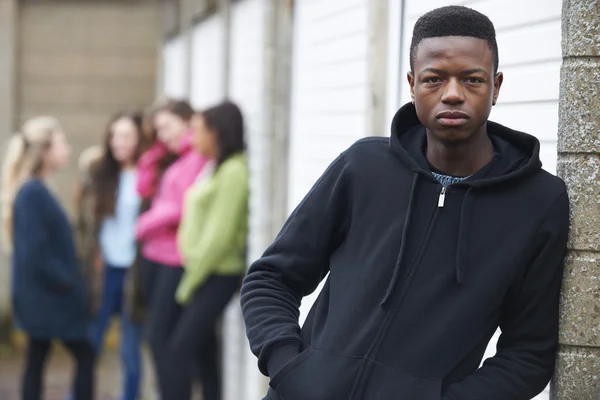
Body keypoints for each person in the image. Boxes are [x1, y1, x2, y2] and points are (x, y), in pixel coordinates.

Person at [240, 6, 570, 400]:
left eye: (472, 79)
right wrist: (289, 368)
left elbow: (528, 353)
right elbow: (271, 279)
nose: (452, 93)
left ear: (496, 87)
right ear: (412, 84)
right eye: (434, 79)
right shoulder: (363, 168)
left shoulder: (538, 203)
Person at [1, 116, 95, 400]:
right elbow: (33, 250)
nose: (67, 148)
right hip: (49, 297)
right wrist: (66, 281)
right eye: (61, 143)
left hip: (45, 296)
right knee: (85, 354)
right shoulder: (32, 192)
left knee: (36, 359)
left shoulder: (38, 189)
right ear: (44, 152)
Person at [164, 101, 248, 400]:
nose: (192, 138)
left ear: (218, 133)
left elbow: (219, 238)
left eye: (198, 131)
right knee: (205, 356)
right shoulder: (217, 167)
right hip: (203, 273)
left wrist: (189, 281)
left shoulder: (234, 172)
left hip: (215, 275)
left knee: (177, 351)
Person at [134, 99, 210, 397]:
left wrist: (141, 225)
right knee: (159, 336)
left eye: (166, 126)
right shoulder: (174, 156)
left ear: (187, 120)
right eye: (157, 130)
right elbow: (144, 188)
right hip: (156, 254)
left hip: (174, 258)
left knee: (162, 337)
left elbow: (179, 207)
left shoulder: (197, 156)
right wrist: (153, 154)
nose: (162, 134)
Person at [82, 112, 145, 400]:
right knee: (90, 343)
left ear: (138, 139)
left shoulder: (148, 174)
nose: (118, 142)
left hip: (134, 271)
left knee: (130, 351)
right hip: (105, 269)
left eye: (126, 136)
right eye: (114, 135)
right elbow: (84, 222)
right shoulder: (100, 173)